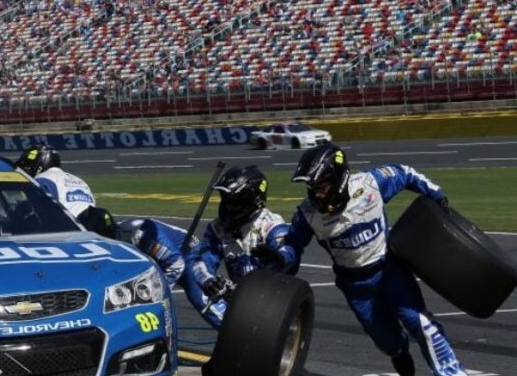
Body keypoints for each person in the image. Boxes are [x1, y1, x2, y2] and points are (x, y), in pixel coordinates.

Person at [273, 144, 467, 376]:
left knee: (422, 324)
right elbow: (293, 245)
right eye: (311, 187)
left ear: (339, 179)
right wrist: (280, 257)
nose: (317, 194)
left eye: (321, 186)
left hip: (390, 270)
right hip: (355, 286)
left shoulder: (371, 184)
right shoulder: (307, 214)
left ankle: (451, 372)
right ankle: (399, 352)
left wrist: (437, 195)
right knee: (387, 341)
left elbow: (406, 173)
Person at [184, 165, 295, 329]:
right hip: (241, 298)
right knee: (192, 281)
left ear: (255, 201)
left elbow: (289, 251)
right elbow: (202, 261)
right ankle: (236, 332)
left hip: (274, 302)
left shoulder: (272, 225)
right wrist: (208, 281)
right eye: (226, 201)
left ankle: (245, 335)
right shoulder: (217, 228)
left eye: (236, 203)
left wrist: (277, 256)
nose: (229, 207)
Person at [118, 218, 226, 330]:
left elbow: (176, 264)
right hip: (161, 259)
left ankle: (236, 332)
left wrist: (159, 294)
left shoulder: (141, 235)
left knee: (201, 298)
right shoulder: (111, 233)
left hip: (188, 255)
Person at [14, 145, 108, 232]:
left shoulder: (43, 179)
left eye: (28, 166)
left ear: (39, 164)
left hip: (66, 233)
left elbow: (37, 211)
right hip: (92, 232)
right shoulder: (79, 180)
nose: (27, 170)